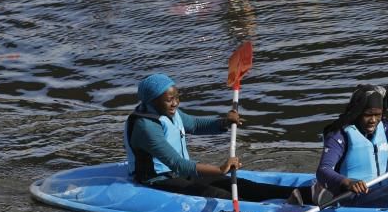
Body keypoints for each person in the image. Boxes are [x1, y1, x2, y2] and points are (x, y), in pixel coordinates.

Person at [124, 73, 319, 204]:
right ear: (151, 101)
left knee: (243, 186)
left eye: (176, 97)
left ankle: (305, 195)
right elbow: (176, 164)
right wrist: (219, 169)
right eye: (169, 99)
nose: (175, 103)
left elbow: (195, 125)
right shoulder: (145, 127)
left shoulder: (169, 112)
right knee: (221, 195)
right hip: (159, 179)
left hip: (183, 173)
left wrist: (224, 122)